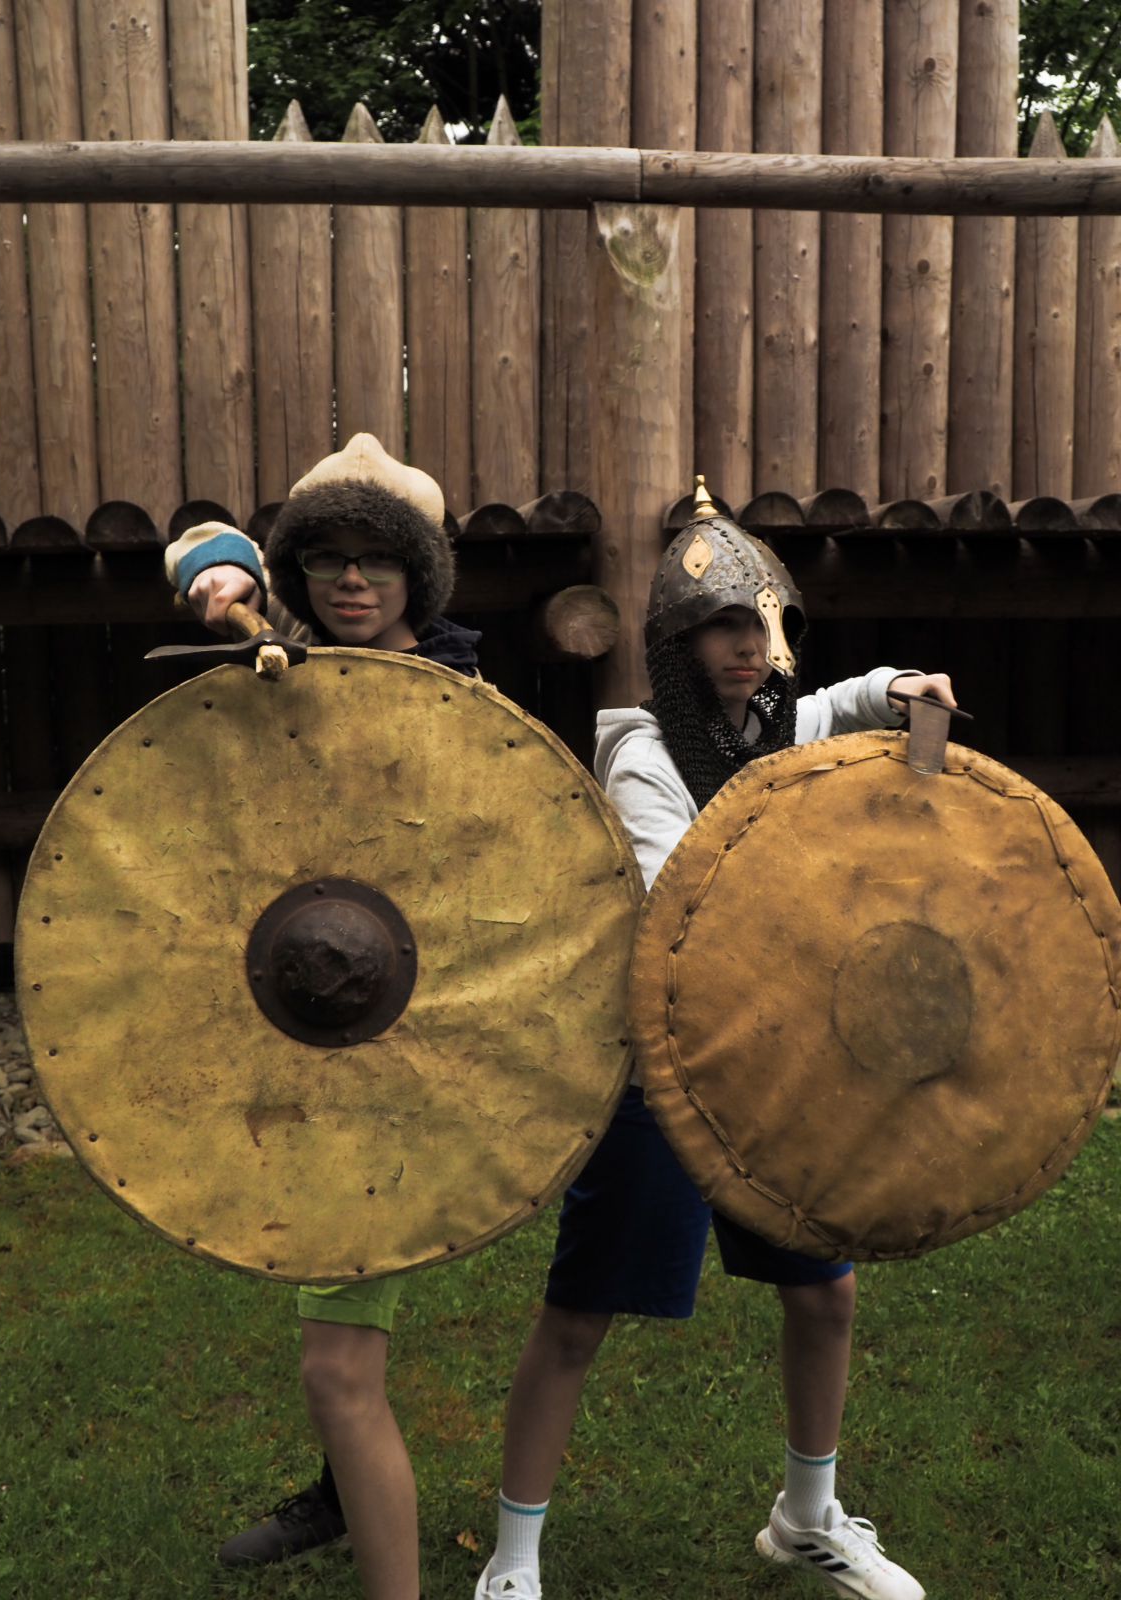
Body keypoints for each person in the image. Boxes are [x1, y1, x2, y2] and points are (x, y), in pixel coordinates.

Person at [475, 490, 952, 1600]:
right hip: (666, 1073)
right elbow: (693, 907)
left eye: (766, 623)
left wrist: (903, 689)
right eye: (726, 624)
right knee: (579, 1314)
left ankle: (806, 1517)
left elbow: (844, 699)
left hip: (777, 1072)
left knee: (824, 1295)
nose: (750, 646)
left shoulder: (778, 723)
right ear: (677, 640)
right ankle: (512, 1560)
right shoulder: (643, 756)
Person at [165, 432, 479, 1599]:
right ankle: (342, 1492)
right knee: (331, 1327)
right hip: (297, 1023)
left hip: (403, 1049)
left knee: (339, 1367)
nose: (352, 579)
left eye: (378, 560)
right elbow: (196, 538)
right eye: (327, 557)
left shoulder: (463, 706)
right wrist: (220, 576)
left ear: (418, 577)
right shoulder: (279, 661)